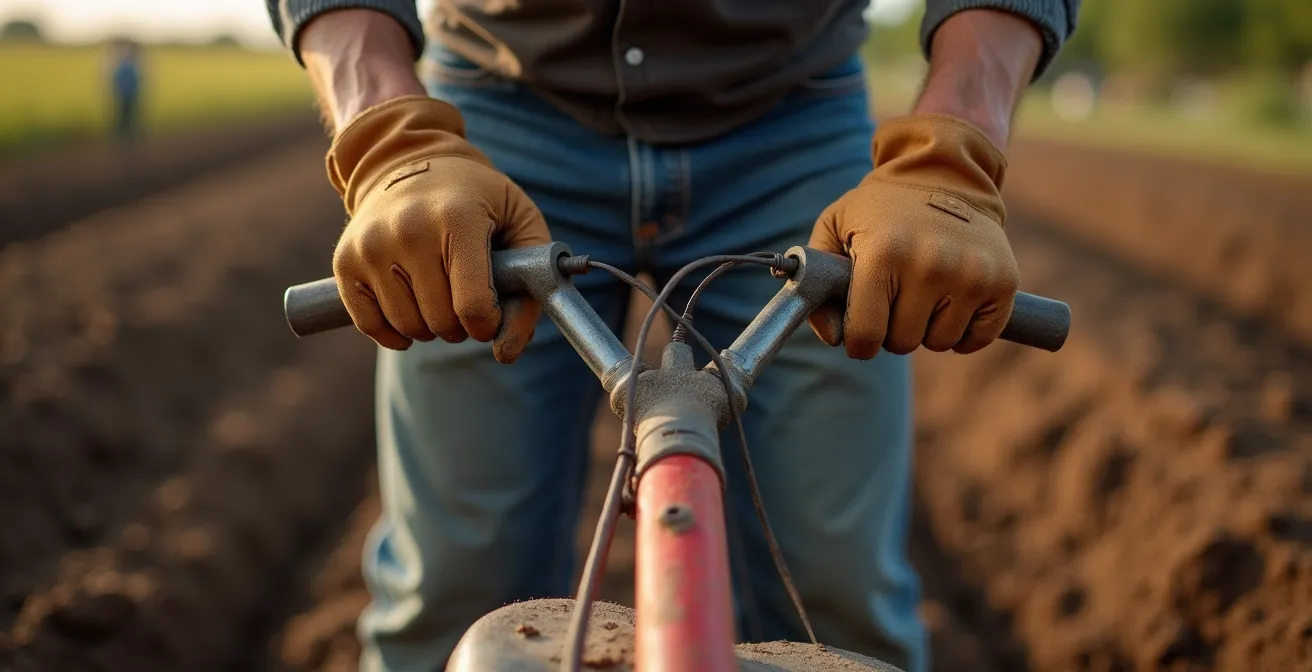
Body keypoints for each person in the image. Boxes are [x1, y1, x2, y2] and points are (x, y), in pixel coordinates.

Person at [263, 1, 1080, 671]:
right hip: (494, 122)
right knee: (452, 594)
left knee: (841, 604)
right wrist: (393, 145)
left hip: (791, 123)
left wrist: (951, 157)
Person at [107, 39, 142, 140]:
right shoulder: (130, 67)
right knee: (125, 115)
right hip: (127, 95)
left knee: (125, 115)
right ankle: (125, 134)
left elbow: (118, 81)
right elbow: (132, 81)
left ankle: (125, 134)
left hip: (126, 95)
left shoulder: (124, 67)